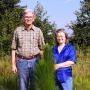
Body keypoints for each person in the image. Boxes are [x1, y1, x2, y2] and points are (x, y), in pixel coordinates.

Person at [11, 8, 45, 90]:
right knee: (22, 85)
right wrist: (13, 64)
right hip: (21, 61)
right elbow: (13, 49)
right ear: (23, 18)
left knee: (35, 85)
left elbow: (42, 49)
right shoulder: (17, 30)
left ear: (33, 18)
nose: (28, 18)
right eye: (26, 17)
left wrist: (43, 63)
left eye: (30, 17)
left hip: (35, 61)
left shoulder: (38, 31)